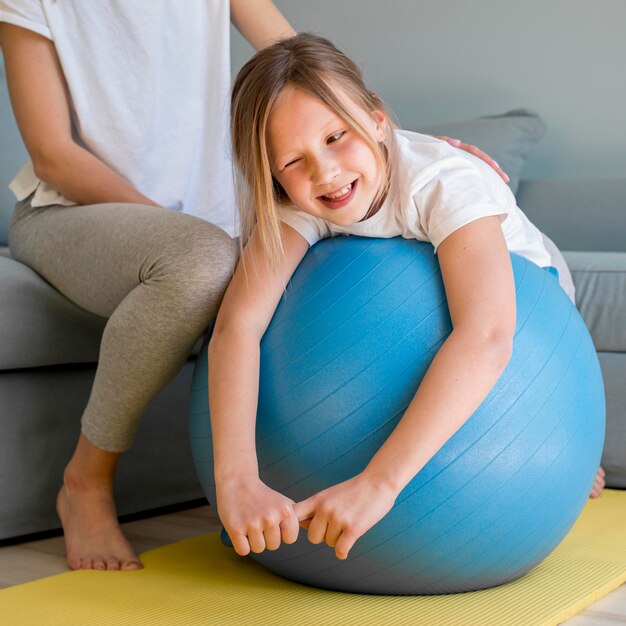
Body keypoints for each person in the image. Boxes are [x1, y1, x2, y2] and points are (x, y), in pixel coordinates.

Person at [209, 33, 605, 562]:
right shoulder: (298, 203)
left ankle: (573, 455)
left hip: (532, 294)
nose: (324, 173)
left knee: (527, 380)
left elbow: (487, 335)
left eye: (335, 137)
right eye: (292, 161)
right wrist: (235, 478)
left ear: (377, 121)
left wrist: (379, 482)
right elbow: (238, 326)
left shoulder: (444, 182)